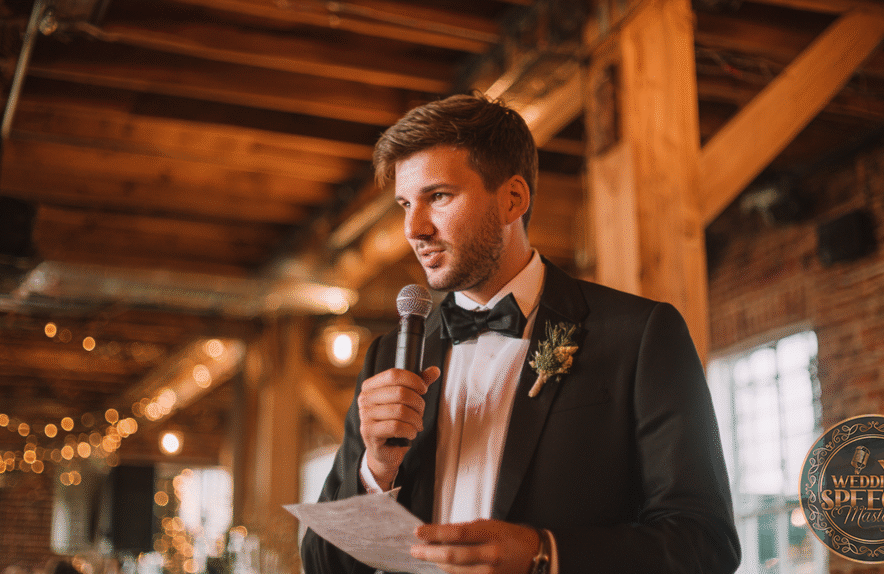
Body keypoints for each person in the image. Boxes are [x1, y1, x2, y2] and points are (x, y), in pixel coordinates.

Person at [300, 94, 740, 574]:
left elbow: (705, 543)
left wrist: (544, 555)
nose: (414, 228)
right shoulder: (390, 353)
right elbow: (322, 565)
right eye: (406, 203)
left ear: (513, 198)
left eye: (439, 196)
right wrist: (376, 472)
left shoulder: (638, 335)